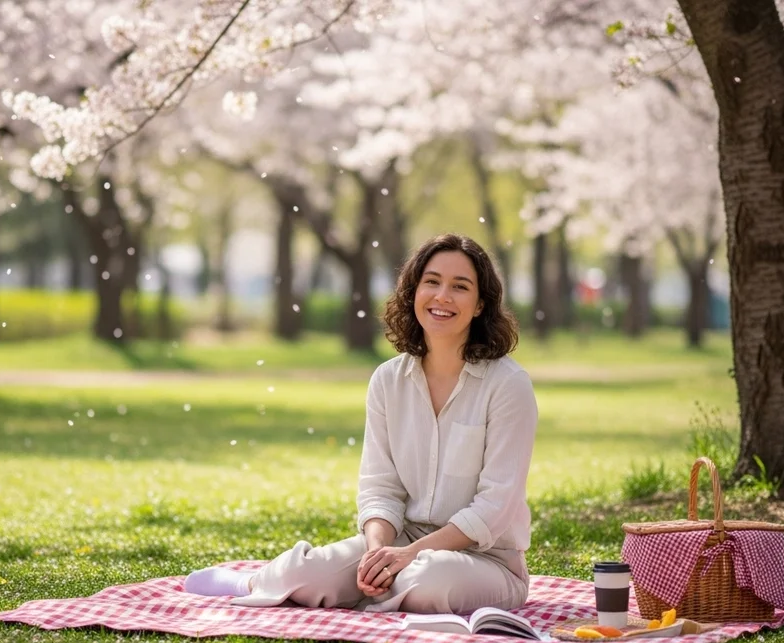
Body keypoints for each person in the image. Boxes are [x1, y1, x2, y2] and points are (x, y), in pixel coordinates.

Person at [184, 234, 538, 614]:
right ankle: (253, 582)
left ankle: (375, 589)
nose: (442, 297)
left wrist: (408, 556)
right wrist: (376, 553)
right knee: (313, 570)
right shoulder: (388, 381)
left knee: (429, 580)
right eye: (432, 282)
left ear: (480, 304)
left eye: (460, 287)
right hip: (401, 540)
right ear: (413, 290)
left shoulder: (507, 385)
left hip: (486, 560)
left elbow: (495, 505)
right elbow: (380, 486)